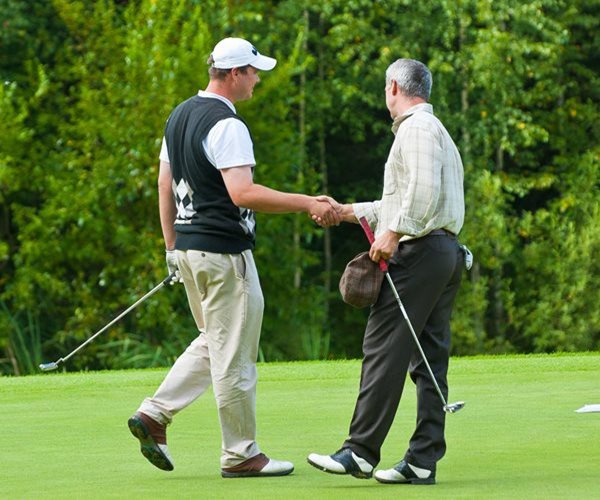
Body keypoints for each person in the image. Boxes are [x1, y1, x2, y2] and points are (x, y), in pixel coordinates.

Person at [128, 37, 339, 478]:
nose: (257, 79)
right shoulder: (227, 124)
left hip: (190, 250)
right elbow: (242, 192)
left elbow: (164, 184)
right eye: (253, 72)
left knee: (216, 341)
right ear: (235, 73)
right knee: (236, 355)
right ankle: (241, 454)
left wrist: (171, 246)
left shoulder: (179, 115)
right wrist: (307, 202)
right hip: (224, 254)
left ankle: (154, 414)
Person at [308, 58, 465, 485]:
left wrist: (393, 233)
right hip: (443, 252)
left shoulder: (416, 129)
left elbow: (422, 195)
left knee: (382, 346)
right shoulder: (432, 129)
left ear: (394, 86)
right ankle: (422, 460)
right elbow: (402, 201)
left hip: (419, 252)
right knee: (429, 359)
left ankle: (359, 452)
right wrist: (345, 212)